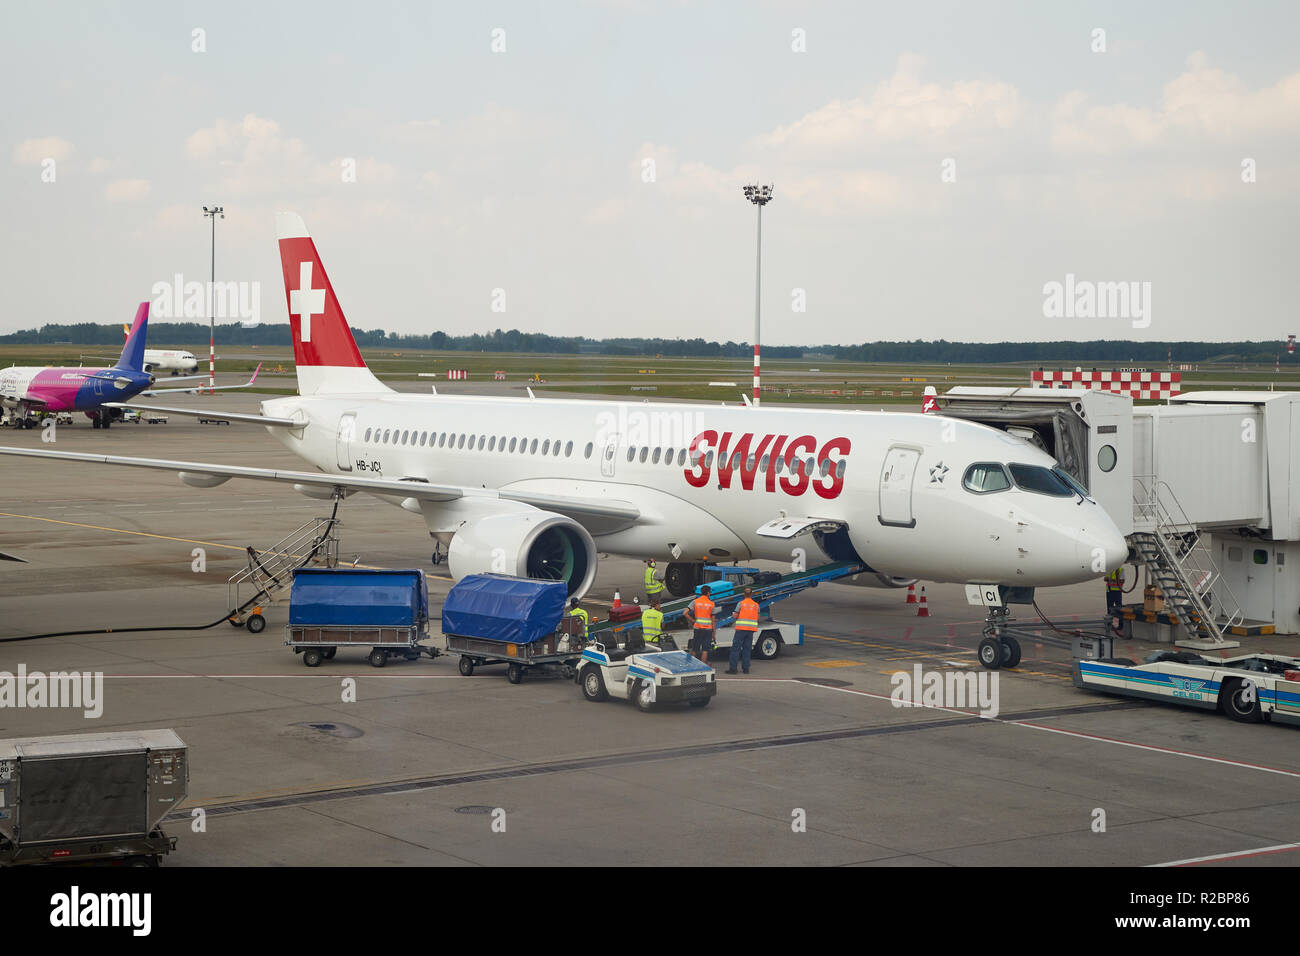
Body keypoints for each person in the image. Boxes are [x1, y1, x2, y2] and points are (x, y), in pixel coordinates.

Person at [728, 586, 760, 674]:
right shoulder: (756, 605)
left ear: (744, 594)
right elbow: (757, 617)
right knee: (747, 649)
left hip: (741, 629)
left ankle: (733, 669)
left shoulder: (741, 603)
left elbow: (735, 616)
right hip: (751, 630)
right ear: (752, 594)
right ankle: (746, 669)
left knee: (736, 649)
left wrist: (734, 615)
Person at [683, 585, 715, 664]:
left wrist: (693, 621)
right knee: (705, 649)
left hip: (698, 628)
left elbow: (685, 613)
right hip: (708, 629)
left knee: (695, 648)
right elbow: (713, 620)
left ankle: (692, 666)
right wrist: (714, 633)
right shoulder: (711, 604)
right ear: (708, 593)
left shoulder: (695, 602)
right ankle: (703, 667)